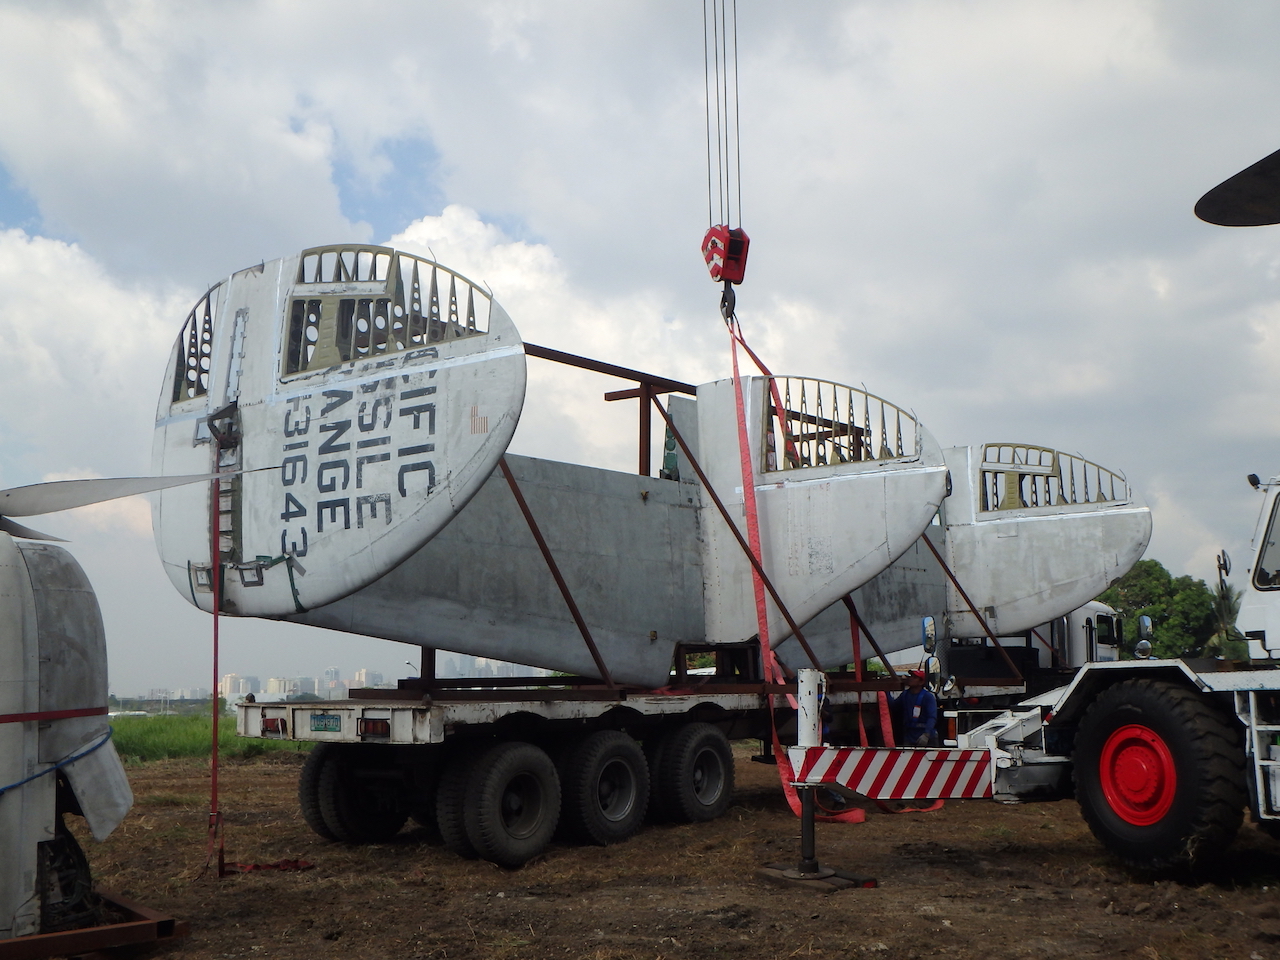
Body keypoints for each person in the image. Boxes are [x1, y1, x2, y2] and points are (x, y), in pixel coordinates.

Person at [893, 669, 937, 747]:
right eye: (911, 676)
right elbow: (893, 705)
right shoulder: (905, 695)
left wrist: (926, 734)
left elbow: (932, 717)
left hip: (924, 736)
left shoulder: (928, 697)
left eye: (915, 677)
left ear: (921, 682)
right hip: (910, 735)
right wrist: (884, 693)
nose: (911, 678)